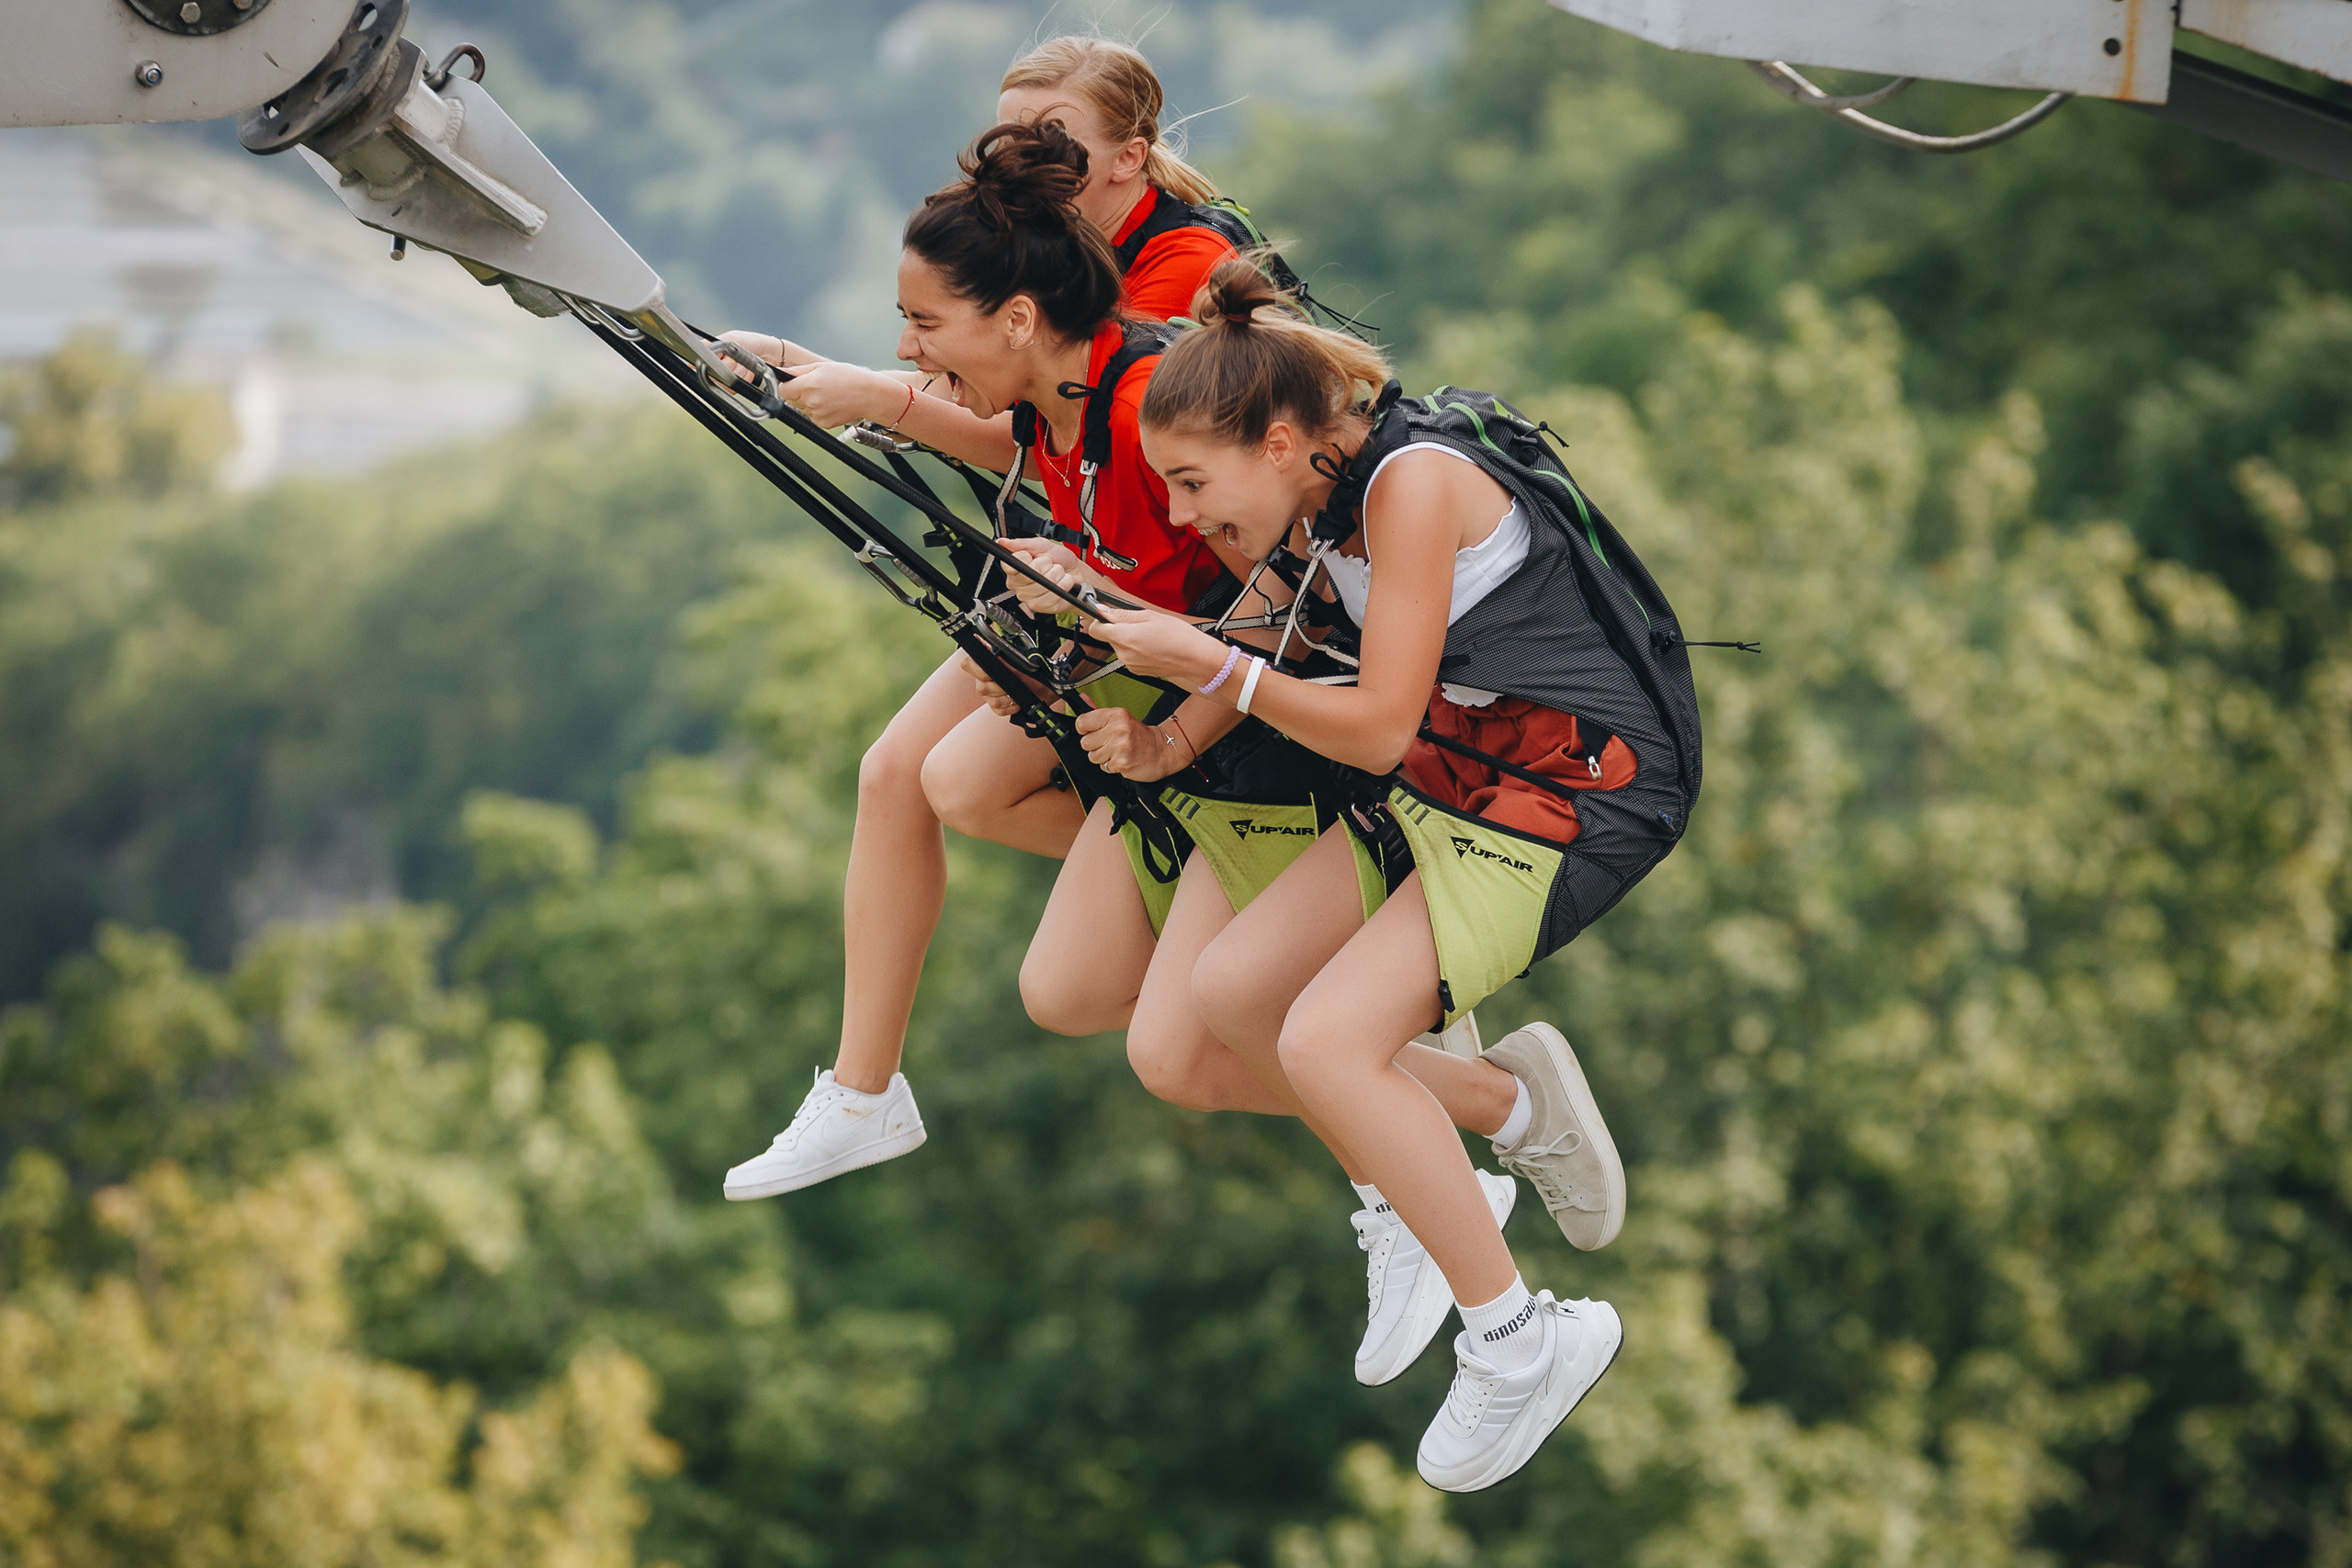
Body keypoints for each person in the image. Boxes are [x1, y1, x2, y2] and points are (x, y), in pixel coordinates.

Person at [1057, 260, 1703, 1491]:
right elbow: (1264, 625)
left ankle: (1522, 1336)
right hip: (1469, 774)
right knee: (1234, 997)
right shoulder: (1315, 497)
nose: (1186, 514)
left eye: (1194, 484)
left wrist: (1198, 664)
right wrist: (1160, 739)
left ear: (1289, 441)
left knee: (1324, 1045)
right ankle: (1488, 1119)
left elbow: (1376, 727)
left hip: (1575, 795)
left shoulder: (1410, 485)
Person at [718, 117, 1258, 1201]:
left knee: (948, 784)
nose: (911, 348)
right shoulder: (1052, 401)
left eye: (924, 324)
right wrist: (825, 381)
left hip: (1216, 694)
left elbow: (1279, 596)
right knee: (923, 777)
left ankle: (1243, 924)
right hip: (1127, 657)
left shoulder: (1149, 397)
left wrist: (1089, 598)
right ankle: (862, 1091)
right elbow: (1000, 438)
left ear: (1018, 318)